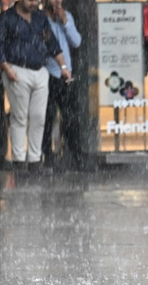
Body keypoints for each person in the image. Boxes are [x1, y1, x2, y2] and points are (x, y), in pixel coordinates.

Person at [0, 0, 71, 175]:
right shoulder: (7, 18)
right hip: (17, 69)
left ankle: (34, 159)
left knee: (39, 116)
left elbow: (52, 43)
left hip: (40, 70)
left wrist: (63, 67)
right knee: (20, 117)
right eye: (30, 0)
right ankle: (19, 160)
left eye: (36, 0)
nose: (34, 3)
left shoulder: (40, 17)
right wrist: (7, 68)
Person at [41, 0, 82, 172]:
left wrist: (65, 20)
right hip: (48, 73)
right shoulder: (40, 20)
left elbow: (77, 41)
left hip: (66, 75)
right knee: (47, 117)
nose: (57, 2)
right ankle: (46, 156)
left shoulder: (67, 17)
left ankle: (75, 155)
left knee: (71, 117)